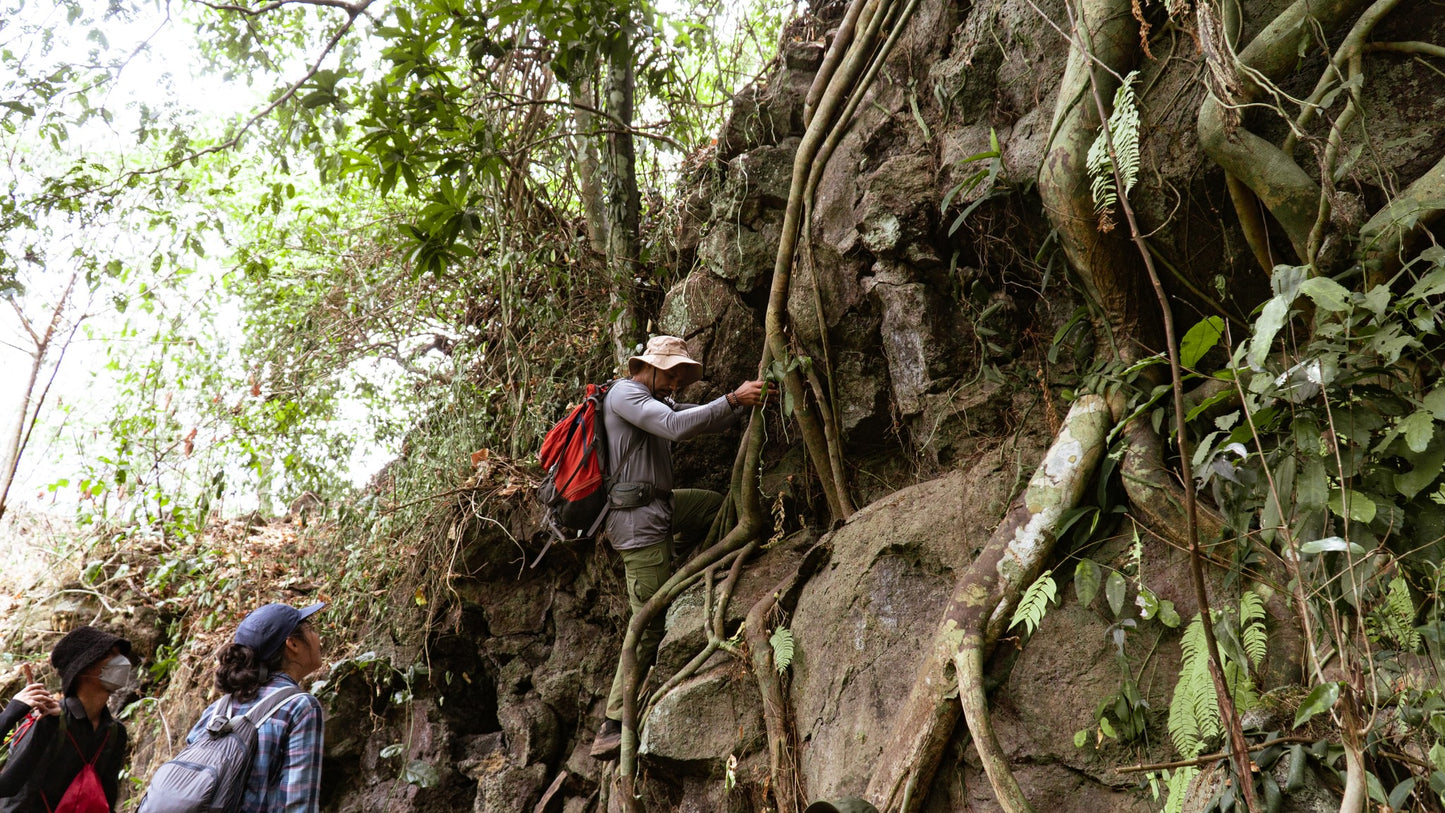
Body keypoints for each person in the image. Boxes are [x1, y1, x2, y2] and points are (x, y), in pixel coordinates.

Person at [589, 335, 765, 760]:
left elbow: (692, 417)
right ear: (647, 367)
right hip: (638, 526)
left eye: (681, 377)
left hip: (661, 509)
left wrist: (740, 406)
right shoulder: (625, 394)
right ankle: (613, 723)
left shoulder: (652, 399)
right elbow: (675, 426)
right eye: (671, 374)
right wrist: (731, 398)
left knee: (712, 508)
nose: (676, 384)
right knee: (647, 621)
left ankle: (689, 564)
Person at [185, 602, 326, 813]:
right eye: (310, 628)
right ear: (293, 644)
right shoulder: (300, 707)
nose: (318, 637)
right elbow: (296, 802)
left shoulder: (218, 709)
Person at [0, 626, 134, 812]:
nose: (122, 662)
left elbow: (107, 796)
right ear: (84, 667)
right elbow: (17, 793)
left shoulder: (115, 732)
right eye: (110, 654)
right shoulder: (49, 720)